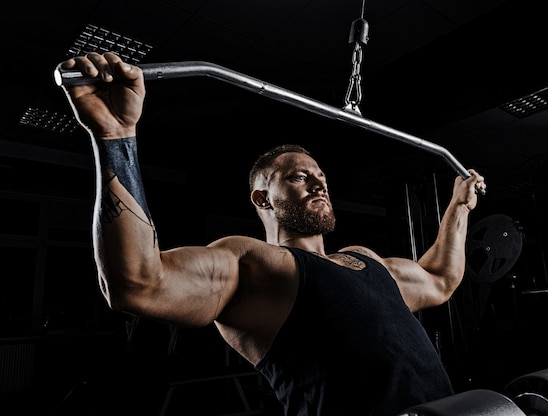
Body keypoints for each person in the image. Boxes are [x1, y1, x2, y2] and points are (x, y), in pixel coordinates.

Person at [57, 51, 486, 416]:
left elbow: (440, 279)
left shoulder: (365, 259)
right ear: (262, 199)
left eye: (320, 176)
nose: (319, 184)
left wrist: (459, 207)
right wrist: (115, 136)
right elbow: (137, 283)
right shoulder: (254, 264)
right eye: (300, 177)